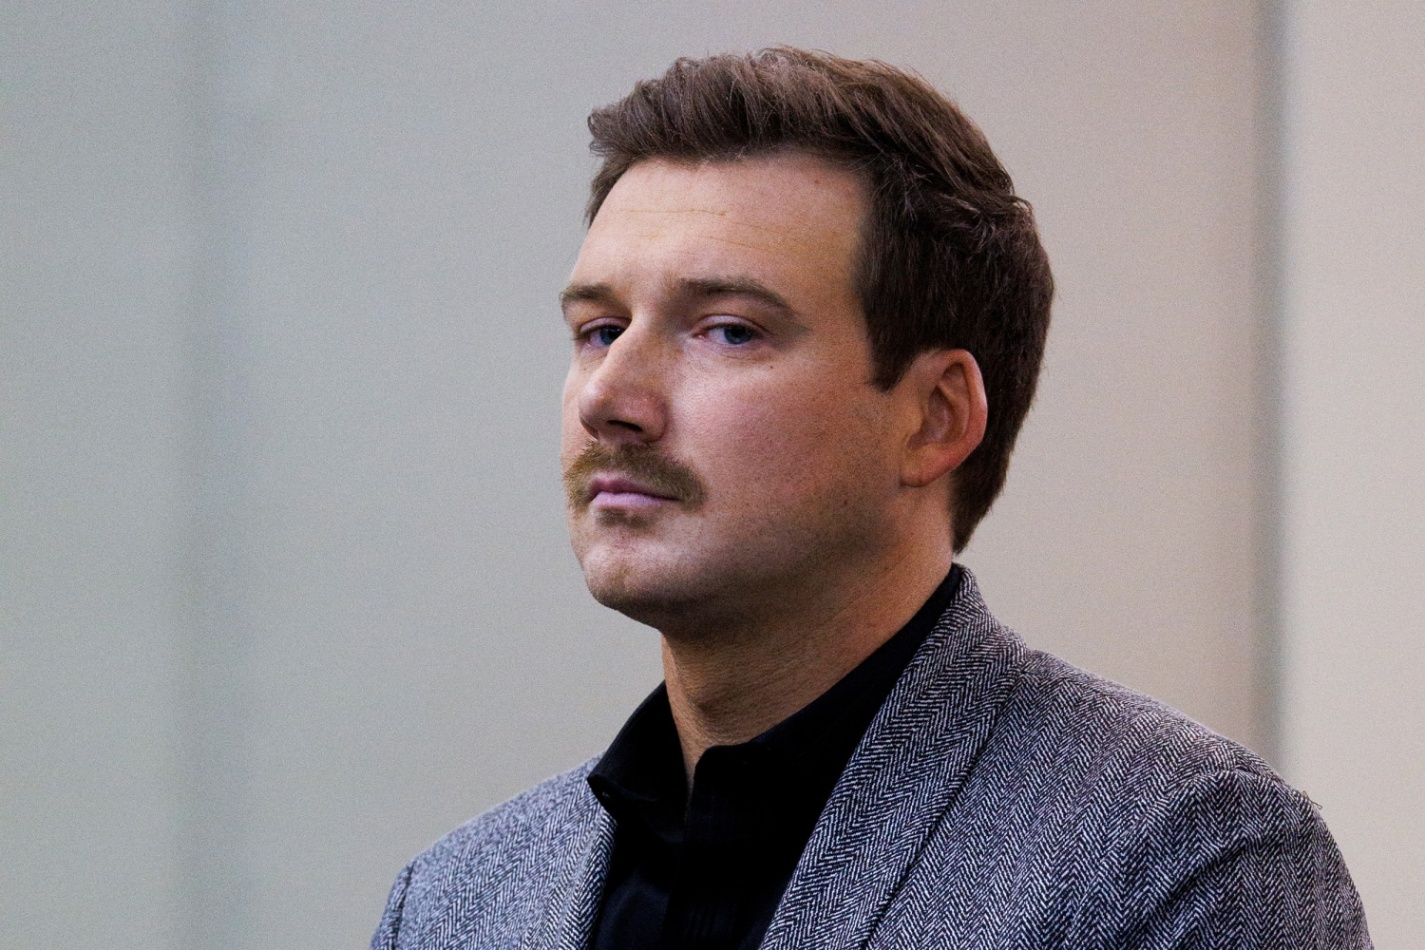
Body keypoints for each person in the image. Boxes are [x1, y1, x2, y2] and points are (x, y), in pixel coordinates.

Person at [372, 48, 1369, 949]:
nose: (608, 399)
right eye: (599, 329)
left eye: (727, 329)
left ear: (934, 418)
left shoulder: (1180, 862)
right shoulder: (455, 902)